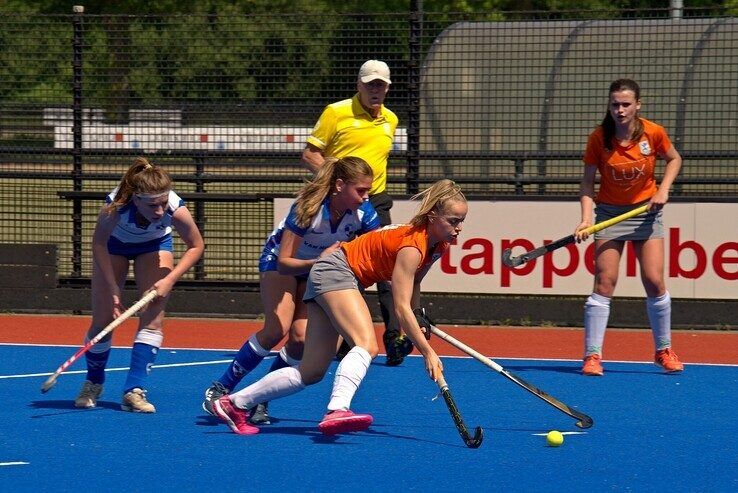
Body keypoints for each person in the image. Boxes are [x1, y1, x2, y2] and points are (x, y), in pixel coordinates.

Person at [211, 179, 467, 436]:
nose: (459, 228)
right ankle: (338, 409)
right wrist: (427, 352)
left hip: (333, 274)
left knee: (311, 372)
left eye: (461, 221)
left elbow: (414, 285)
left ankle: (234, 404)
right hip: (338, 271)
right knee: (366, 345)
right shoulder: (413, 245)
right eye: (453, 221)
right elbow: (400, 307)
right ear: (432, 216)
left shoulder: (438, 245)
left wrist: (419, 314)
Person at [201, 156, 380, 424]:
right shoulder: (308, 209)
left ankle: (259, 399)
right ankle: (221, 387)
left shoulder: (365, 215)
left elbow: (373, 253)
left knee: (300, 339)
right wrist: (321, 260)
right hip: (281, 265)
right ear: (340, 185)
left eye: (369, 191)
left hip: (318, 272)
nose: (365, 198)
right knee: (277, 328)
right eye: (361, 191)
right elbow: (285, 262)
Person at [301, 59, 410, 366]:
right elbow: (310, 154)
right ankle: (349, 335)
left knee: (388, 269)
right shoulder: (336, 112)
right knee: (348, 267)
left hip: (376, 201)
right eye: (370, 84)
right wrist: (341, 182)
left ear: (388, 88)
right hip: (343, 202)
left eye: (381, 85)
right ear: (358, 85)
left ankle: (394, 337)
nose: (375, 90)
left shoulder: (390, 119)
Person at [74, 157, 204, 412]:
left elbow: (196, 245)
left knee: (153, 317)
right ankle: (94, 381)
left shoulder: (175, 208)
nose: (159, 211)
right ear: (136, 199)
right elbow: (99, 243)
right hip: (114, 247)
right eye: (153, 205)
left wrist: (169, 279)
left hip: (154, 246)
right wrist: (113, 288)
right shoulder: (116, 208)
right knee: (103, 319)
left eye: (163, 203)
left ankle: (134, 390)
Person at [575, 78, 684, 376]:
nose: (620, 110)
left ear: (637, 105)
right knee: (604, 281)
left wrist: (663, 189)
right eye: (615, 105)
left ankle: (663, 350)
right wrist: (586, 219)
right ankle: (593, 355)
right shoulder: (599, 138)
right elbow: (587, 185)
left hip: (645, 212)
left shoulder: (653, 132)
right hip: (610, 213)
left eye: (625, 104)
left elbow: (674, 160)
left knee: (653, 280)